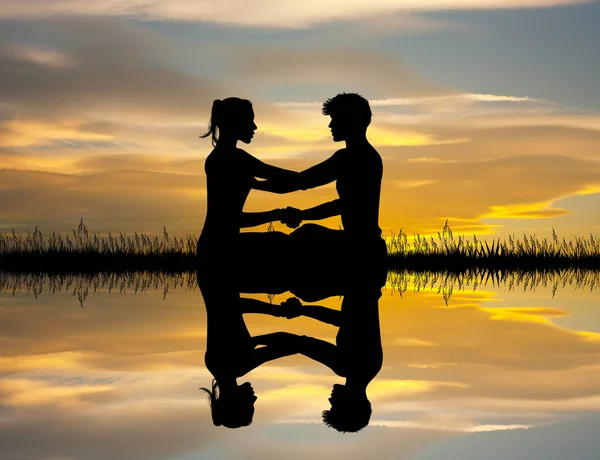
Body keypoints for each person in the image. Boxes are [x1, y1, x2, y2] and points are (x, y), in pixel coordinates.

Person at [257, 93, 387, 265]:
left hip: (361, 248)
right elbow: (302, 181)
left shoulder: (356, 158)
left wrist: (253, 184)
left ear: (351, 120)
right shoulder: (357, 156)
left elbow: (338, 202)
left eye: (336, 119)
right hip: (365, 245)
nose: (331, 125)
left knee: (300, 239)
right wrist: (257, 184)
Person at [197, 97, 300, 263]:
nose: (254, 127)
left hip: (215, 246)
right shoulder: (233, 159)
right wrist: (280, 213)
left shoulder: (225, 158)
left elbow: (276, 184)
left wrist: (301, 183)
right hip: (219, 249)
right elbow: (231, 220)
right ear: (235, 122)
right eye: (249, 121)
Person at [197, 266, 301, 428]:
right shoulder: (217, 366)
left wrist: (278, 311)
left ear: (234, 401)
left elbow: (234, 305)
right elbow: (284, 346)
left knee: (289, 282)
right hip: (212, 275)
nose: (255, 398)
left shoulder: (235, 365)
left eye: (250, 404)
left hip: (220, 271)